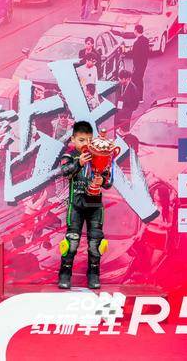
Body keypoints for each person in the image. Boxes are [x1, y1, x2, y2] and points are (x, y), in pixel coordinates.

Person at [58, 121, 113, 290]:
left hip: (95, 207)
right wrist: (79, 163)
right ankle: (65, 275)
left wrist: (102, 180)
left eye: (89, 140)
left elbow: (108, 182)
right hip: (76, 206)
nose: (85, 143)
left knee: (95, 244)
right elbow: (65, 172)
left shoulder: (100, 154)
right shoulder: (69, 156)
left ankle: (93, 275)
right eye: (81, 140)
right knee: (72, 242)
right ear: (73, 140)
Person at [130, 24, 149, 102]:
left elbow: (134, 55)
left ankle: (136, 98)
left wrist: (134, 67)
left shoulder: (136, 43)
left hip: (137, 65)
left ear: (136, 31)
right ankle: (140, 98)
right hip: (144, 64)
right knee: (139, 80)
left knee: (135, 80)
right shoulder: (146, 40)